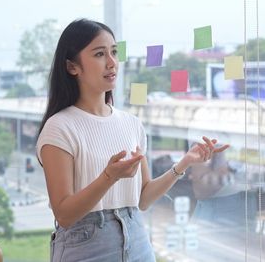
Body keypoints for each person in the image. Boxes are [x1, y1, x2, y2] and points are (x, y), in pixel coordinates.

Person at [37, 19, 228, 262]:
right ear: (72, 67)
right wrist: (109, 177)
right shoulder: (60, 127)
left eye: (114, 52)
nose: (111, 62)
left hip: (137, 239)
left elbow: (143, 199)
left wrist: (184, 163)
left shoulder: (131, 123)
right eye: (99, 54)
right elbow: (64, 214)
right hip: (86, 246)